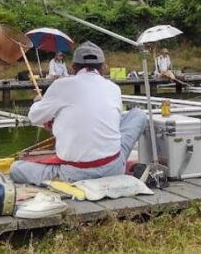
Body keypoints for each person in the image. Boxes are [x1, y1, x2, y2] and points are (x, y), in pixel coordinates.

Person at [10, 42, 148, 184]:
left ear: (73, 68)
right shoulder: (114, 88)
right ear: (103, 68)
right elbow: (111, 122)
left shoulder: (61, 85)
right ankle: (126, 165)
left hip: (75, 173)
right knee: (138, 114)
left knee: (16, 169)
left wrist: (39, 102)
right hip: (113, 167)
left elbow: (34, 117)